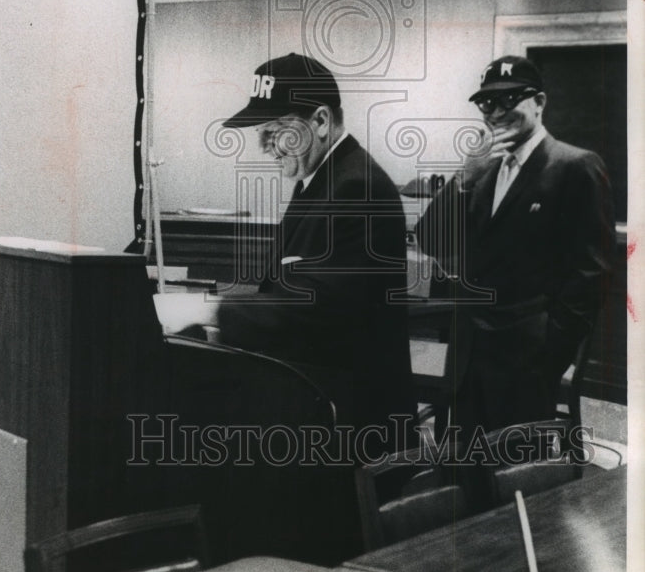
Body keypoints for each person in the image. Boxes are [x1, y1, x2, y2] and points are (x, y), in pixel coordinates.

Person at [211, 51, 415, 440]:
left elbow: (317, 309)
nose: (265, 147)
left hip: (351, 425)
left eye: (275, 132)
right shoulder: (322, 179)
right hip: (317, 405)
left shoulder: (357, 187)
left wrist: (215, 310)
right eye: (261, 134)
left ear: (320, 121)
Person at [415, 55, 615, 435]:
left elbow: (592, 274)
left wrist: (549, 354)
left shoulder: (576, 166)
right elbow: (431, 240)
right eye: (488, 103)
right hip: (466, 354)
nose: (497, 112)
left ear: (539, 103)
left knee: (517, 479)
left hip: (527, 359)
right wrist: (463, 179)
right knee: (461, 473)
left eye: (511, 100)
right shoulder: (482, 169)